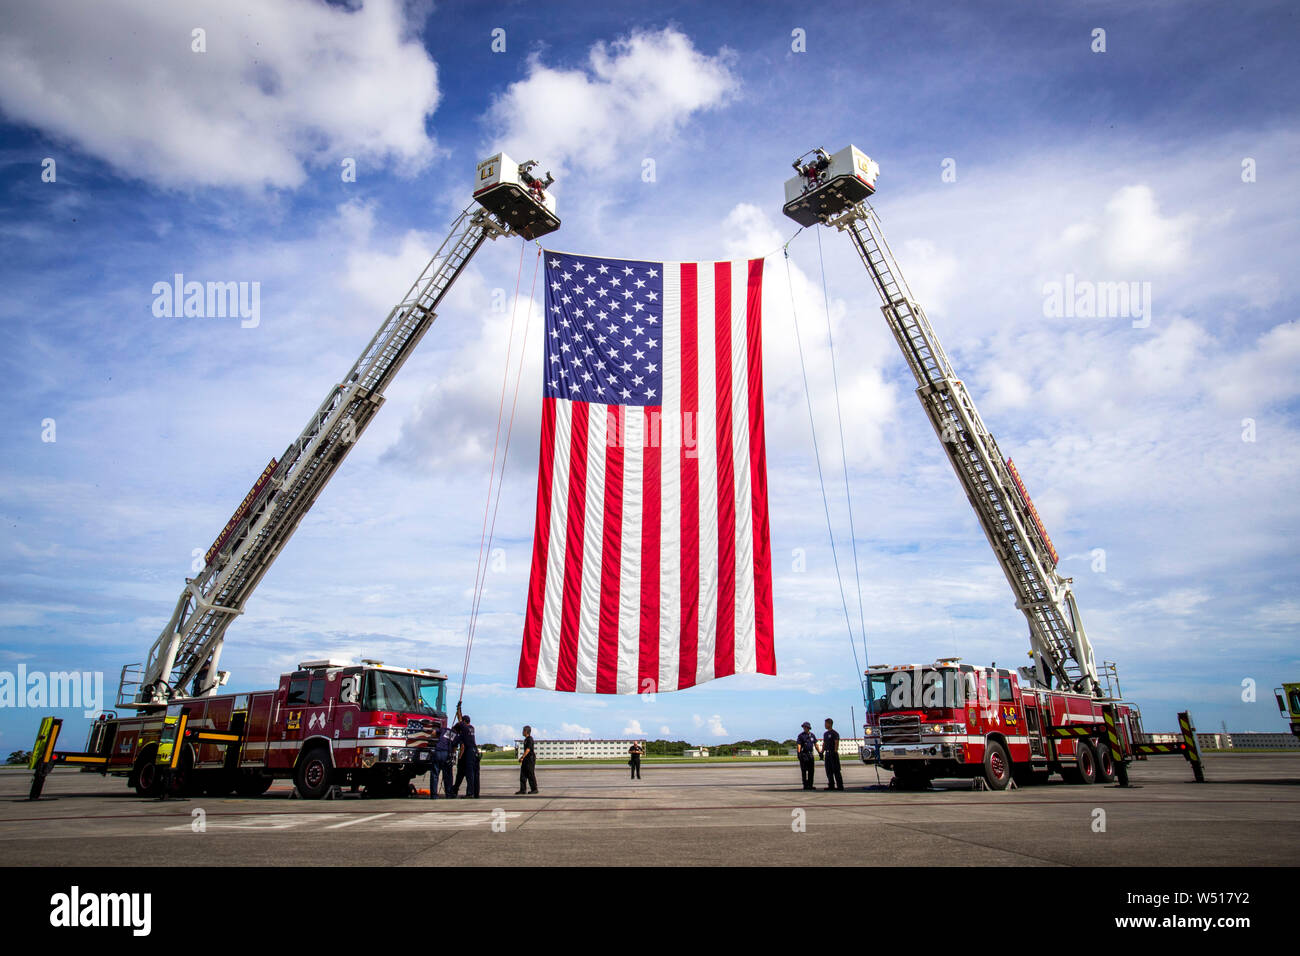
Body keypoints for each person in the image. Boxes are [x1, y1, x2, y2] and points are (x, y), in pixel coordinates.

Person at [430, 721, 457, 800]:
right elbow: (454, 748)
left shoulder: (444, 729)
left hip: (437, 752)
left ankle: (434, 795)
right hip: (446, 754)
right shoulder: (456, 735)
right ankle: (448, 794)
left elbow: (434, 732)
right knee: (447, 776)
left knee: (435, 774)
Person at [455, 714, 480, 799]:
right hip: (475, 752)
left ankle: (470, 793)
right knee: (476, 774)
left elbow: (462, 747)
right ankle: (476, 793)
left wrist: (460, 757)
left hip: (469, 752)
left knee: (470, 774)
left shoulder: (464, 730)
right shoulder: (472, 728)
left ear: (464, 722)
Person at [818, 717, 844, 791]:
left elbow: (836, 743)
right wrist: (822, 752)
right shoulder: (825, 734)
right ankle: (831, 785)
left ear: (830, 724)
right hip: (827, 753)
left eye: (826, 724)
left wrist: (835, 751)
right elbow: (824, 743)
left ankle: (840, 785)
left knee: (836, 770)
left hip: (833, 753)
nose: (825, 725)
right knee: (828, 770)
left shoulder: (834, 733)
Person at [516, 725, 538, 795]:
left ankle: (534, 789)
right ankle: (522, 789)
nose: (522, 732)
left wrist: (522, 757)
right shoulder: (526, 739)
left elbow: (528, 749)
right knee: (523, 774)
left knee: (530, 774)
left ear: (526, 731)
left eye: (523, 731)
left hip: (530, 759)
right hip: (526, 759)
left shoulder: (530, 739)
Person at [795, 722, 817, 791]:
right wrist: (799, 753)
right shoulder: (801, 736)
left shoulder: (812, 735)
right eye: (804, 727)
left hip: (810, 754)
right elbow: (799, 745)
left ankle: (810, 785)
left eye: (806, 727)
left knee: (811, 771)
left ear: (808, 728)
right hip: (804, 754)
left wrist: (820, 752)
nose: (804, 728)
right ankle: (805, 784)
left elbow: (816, 744)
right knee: (804, 770)